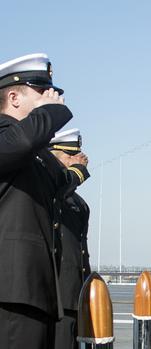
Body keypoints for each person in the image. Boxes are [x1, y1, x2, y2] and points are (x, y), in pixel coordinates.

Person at [0, 53, 73, 348]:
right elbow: (23, 141)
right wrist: (52, 114)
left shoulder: (35, 153)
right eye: (42, 91)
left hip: (34, 290)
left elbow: (63, 181)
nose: (52, 96)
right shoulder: (9, 139)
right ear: (14, 97)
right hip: (9, 290)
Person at [49, 129, 91, 349]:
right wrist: (77, 172)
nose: (76, 160)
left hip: (75, 293)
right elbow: (54, 195)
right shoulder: (46, 190)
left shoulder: (78, 201)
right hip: (55, 296)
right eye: (68, 155)